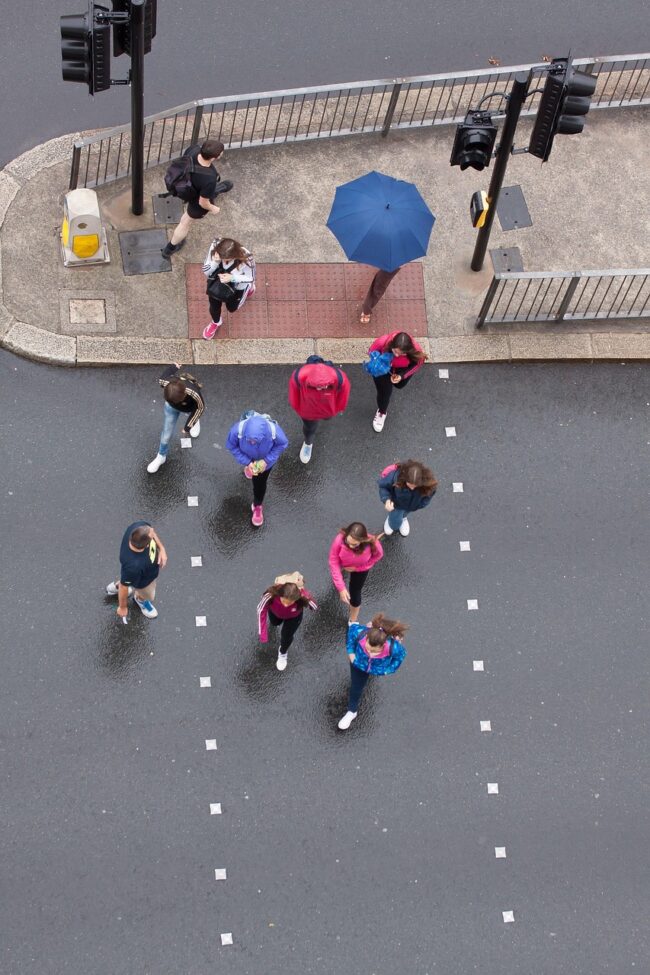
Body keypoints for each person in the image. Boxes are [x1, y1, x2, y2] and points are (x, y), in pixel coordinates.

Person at [162, 141, 233, 258]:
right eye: (221, 153)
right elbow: (203, 202)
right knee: (185, 222)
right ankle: (170, 248)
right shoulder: (209, 179)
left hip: (186, 187)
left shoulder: (193, 150)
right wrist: (213, 208)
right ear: (214, 157)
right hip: (197, 198)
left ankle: (215, 190)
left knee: (207, 192)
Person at [338, 613, 408, 730]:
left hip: (377, 669)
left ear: (384, 645)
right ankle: (352, 711)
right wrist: (351, 654)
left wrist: (387, 670)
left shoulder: (393, 647)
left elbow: (401, 656)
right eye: (368, 648)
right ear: (366, 637)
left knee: (358, 685)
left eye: (375, 651)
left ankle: (352, 710)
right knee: (356, 687)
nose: (370, 652)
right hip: (358, 665)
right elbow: (350, 634)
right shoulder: (360, 632)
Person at [225, 410, 289, 527]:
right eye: (249, 440)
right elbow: (232, 446)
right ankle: (249, 468)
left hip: (265, 463)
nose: (252, 443)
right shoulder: (236, 431)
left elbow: (282, 444)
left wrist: (266, 461)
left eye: (256, 441)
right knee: (252, 470)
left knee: (260, 483)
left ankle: (257, 505)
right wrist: (248, 462)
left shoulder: (274, 431)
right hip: (249, 459)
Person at [288, 355, 351, 464]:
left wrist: (335, 410)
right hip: (309, 413)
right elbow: (294, 398)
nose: (320, 389)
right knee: (309, 429)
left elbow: (343, 396)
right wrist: (301, 412)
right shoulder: (298, 377)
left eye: (324, 387)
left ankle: (310, 440)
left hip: (327, 410)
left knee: (324, 420)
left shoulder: (339, 378)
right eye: (315, 387)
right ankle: (308, 443)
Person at [147, 363, 205, 474]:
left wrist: (187, 427)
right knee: (166, 434)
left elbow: (200, 408)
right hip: (171, 408)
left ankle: (194, 421)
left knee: (195, 414)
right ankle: (161, 456)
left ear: (184, 395)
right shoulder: (165, 382)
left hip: (190, 408)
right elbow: (163, 376)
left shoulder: (194, 393)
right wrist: (174, 367)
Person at [106, 521, 168, 620]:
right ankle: (140, 600)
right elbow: (124, 586)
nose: (153, 531)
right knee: (145, 593)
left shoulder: (138, 527)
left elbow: (151, 531)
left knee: (127, 580)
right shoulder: (133, 566)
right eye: (152, 534)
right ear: (147, 545)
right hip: (145, 581)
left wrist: (162, 549)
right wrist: (122, 607)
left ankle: (119, 586)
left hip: (132, 575)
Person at [257, 572, 318, 671]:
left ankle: (283, 652)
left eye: (290, 602)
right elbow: (261, 611)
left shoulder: (302, 595)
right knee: (275, 623)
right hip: (275, 613)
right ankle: (278, 622)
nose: (286, 605)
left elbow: (314, 606)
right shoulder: (271, 595)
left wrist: (309, 600)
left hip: (293, 617)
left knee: (286, 636)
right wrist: (263, 633)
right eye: (284, 601)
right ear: (280, 594)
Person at [367, 330, 426, 432]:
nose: (397, 355)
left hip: (401, 370)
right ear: (392, 345)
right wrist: (379, 362)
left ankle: (396, 382)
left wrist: (402, 375)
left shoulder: (415, 349)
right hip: (382, 369)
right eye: (395, 351)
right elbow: (371, 352)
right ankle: (382, 412)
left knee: (399, 385)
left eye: (402, 353)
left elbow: (417, 364)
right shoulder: (381, 342)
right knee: (384, 393)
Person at [328, 522, 384, 624]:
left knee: (355, 593)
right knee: (337, 576)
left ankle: (353, 619)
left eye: (354, 544)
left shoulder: (373, 544)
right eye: (347, 542)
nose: (350, 546)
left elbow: (377, 556)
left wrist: (357, 569)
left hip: (360, 569)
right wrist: (341, 587)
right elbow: (334, 562)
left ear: (363, 541)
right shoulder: (339, 540)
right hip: (343, 564)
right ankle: (340, 578)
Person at [202, 237, 256, 340]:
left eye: (226, 259)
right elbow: (206, 271)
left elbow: (251, 277)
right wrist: (215, 262)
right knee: (214, 305)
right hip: (217, 282)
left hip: (238, 286)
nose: (223, 261)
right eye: (221, 258)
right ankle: (216, 322)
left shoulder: (247, 257)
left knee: (232, 308)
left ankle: (249, 288)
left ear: (234, 255)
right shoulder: (215, 245)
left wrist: (232, 278)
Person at [378, 459, 437, 537]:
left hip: (411, 506)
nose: (412, 488)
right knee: (394, 523)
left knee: (405, 513)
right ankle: (391, 521)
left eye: (415, 485)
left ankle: (403, 518)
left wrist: (421, 505)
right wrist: (387, 500)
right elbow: (383, 487)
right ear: (404, 478)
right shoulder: (395, 477)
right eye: (409, 484)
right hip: (396, 505)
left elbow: (429, 495)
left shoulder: (428, 483)